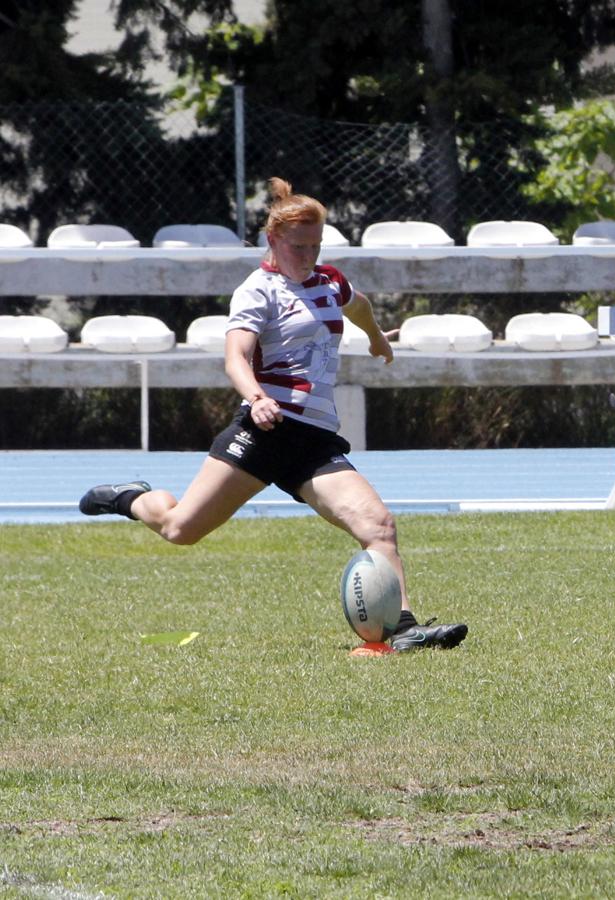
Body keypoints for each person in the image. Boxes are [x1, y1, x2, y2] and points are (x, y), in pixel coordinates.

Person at [80, 177, 467, 654]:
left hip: (315, 440)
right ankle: (132, 498)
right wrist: (257, 397)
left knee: (378, 525)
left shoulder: (329, 280)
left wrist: (375, 337)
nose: (308, 256)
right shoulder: (257, 291)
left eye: (316, 245)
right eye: (299, 246)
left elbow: (358, 306)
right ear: (273, 240)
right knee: (181, 530)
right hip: (264, 431)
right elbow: (235, 358)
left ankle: (403, 627)